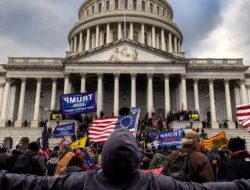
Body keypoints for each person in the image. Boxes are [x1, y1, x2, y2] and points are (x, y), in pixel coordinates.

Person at [0, 129, 250, 190]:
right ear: (136, 158)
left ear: (104, 157)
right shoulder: (154, 183)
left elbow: (32, 184)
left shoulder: (81, 182)